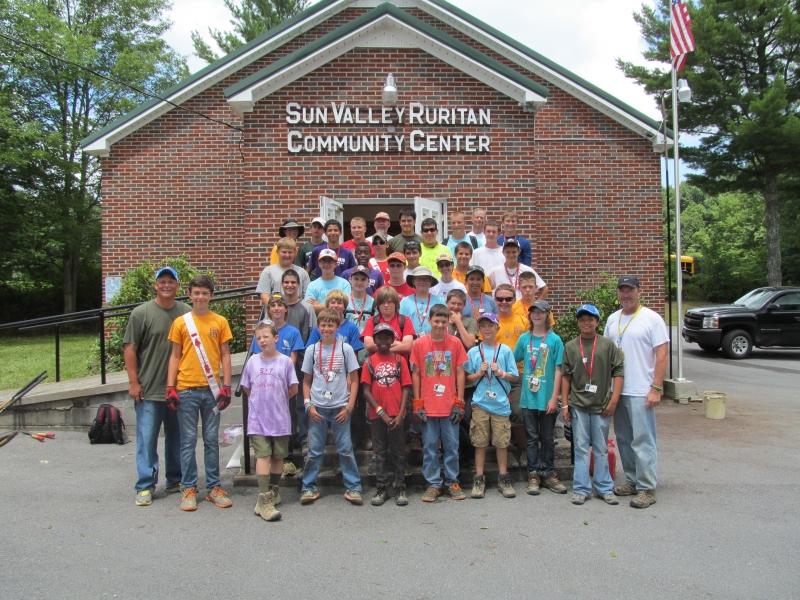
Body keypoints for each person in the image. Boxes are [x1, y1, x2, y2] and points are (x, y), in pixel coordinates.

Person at [124, 266, 190, 507]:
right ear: (155, 285)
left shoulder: (186, 313)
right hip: (149, 388)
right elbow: (130, 349)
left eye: (171, 282)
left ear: (177, 286)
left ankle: (175, 479)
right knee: (147, 438)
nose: (166, 285)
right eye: (162, 281)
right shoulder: (141, 313)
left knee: (177, 437)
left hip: (180, 388)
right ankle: (145, 485)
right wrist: (133, 382)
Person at [166, 275, 233, 512]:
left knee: (211, 440)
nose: (200, 297)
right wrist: (170, 386)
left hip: (212, 391)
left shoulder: (220, 321)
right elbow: (175, 355)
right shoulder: (181, 322)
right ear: (190, 295)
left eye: (205, 293)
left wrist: (226, 385)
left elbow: (225, 354)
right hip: (186, 389)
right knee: (188, 441)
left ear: (211, 296)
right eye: (196, 293)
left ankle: (214, 487)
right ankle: (188, 487)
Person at [604, 275, 669, 509]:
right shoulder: (612, 319)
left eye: (630, 290)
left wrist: (656, 387)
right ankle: (631, 480)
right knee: (624, 438)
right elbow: (607, 354)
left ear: (639, 291)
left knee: (643, 439)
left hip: (642, 389)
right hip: (618, 389)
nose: (625, 294)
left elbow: (662, 354)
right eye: (622, 290)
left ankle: (646, 487)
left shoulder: (652, 319)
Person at [561, 304, 624, 506]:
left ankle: (604, 487)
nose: (586, 323)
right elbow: (566, 377)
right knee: (580, 448)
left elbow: (619, 372)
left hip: (601, 406)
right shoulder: (570, 346)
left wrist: (614, 400)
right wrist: (565, 405)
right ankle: (581, 488)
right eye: (582, 319)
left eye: (591, 319)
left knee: (600, 448)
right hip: (579, 405)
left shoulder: (607, 345)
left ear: (597, 322)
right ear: (578, 323)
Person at [300, 308, 363, 505]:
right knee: (315, 450)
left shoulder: (345, 349)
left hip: (340, 407)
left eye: (331, 325)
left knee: (345, 449)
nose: (326, 328)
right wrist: (308, 405)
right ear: (318, 327)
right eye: (323, 325)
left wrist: (349, 406)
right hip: (317, 407)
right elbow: (306, 381)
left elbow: (354, 380)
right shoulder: (312, 350)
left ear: (337, 327)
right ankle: (308, 487)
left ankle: (353, 487)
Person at [240, 320, 299, 522]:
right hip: (258, 419)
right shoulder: (252, 362)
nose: (262, 340)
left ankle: (274, 490)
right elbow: (247, 388)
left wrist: (277, 401)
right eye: (258, 338)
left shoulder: (285, 362)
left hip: (280, 418)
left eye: (266, 336)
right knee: (263, 455)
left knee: (278, 456)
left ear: (276, 338)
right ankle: (263, 499)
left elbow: (293, 389)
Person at [411, 304, 468, 503]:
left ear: (448, 322)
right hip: (428, 405)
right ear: (430, 320)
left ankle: (452, 481)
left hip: (449, 404)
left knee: (452, 446)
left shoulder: (455, 343)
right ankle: (433, 483)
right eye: (437, 321)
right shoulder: (419, 344)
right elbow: (416, 373)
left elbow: (461, 372)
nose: (440, 325)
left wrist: (460, 400)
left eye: (444, 321)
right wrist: (417, 401)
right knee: (430, 446)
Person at [514, 300, 567, 495]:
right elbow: (513, 359)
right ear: (530, 316)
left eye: (541, 312)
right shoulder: (524, 339)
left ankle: (549, 473)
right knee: (531, 438)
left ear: (547, 315)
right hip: (528, 398)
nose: (537, 315)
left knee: (547, 437)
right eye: (533, 312)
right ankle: (533, 474)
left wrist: (555, 398)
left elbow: (559, 370)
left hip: (547, 398)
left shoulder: (555, 340)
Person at [464, 312, 520, 499]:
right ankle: (479, 478)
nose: (487, 329)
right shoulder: (473, 352)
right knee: (479, 442)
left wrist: (501, 373)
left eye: (490, 325)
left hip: (501, 404)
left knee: (501, 442)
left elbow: (514, 376)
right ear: (479, 330)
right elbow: (467, 378)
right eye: (483, 326)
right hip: (480, 403)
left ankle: (503, 477)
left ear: (497, 328)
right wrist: (478, 374)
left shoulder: (505, 351)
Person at [361, 323, 412, 507]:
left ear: (393, 340)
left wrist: (400, 414)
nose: (383, 341)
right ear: (374, 340)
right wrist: (381, 412)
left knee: (398, 451)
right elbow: (366, 390)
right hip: (378, 416)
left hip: (397, 414)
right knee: (380, 452)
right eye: (380, 338)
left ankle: (400, 486)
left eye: (387, 338)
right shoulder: (369, 361)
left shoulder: (400, 360)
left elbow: (406, 387)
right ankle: (381, 487)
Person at [494, 283, 530, 467]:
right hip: (495, 376)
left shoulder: (524, 320)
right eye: (500, 299)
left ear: (514, 300)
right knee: (498, 412)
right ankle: (505, 449)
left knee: (517, 412)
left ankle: (522, 448)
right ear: (495, 300)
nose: (504, 302)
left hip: (519, 373)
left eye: (508, 298)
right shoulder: (491, 321)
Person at [249, 294, 304, 365]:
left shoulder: (294, 332)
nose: (276, 308)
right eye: (273, 306)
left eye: (280, 305)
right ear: (268, 310)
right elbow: (257, 358)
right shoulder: (261, 331)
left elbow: (292, 361)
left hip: (285, 373)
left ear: (286, 309)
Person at [362, 286, 416, 356]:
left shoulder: (405, 320)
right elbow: (369, 346)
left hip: (399, 364)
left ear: (396, 303)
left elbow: (407, 347)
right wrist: (398, 343)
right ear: (378, 305)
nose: (386, 305)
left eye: (389, 302)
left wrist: (383, 347)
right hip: (376, 365)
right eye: (382, 302)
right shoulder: (372, 321)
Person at [400, 267, 445, 336]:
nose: (422, 281)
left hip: (434, 341)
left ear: (431, 282)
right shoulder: (405, 302)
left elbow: (445, 324)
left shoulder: (440, 301)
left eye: (426, 279)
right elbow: (400, 324)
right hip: (411, 342)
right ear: (413, 281)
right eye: (419, 279)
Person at [304, 248, 351, 314]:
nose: (326, 264)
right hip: (319, 323)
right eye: (323, 261)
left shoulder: (344, 284)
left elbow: (346, 307)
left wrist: (318, 306)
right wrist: (336, 306)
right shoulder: (312, 285)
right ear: (319, 263)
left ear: (335, 264)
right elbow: (308, 308)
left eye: (330, 261)